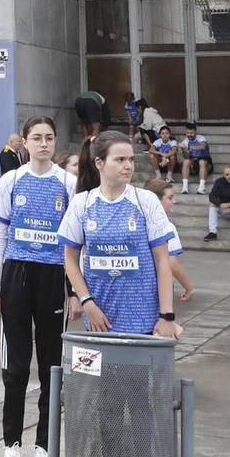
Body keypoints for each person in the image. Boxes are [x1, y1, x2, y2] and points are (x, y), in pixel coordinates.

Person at [0, 115, 74, 457]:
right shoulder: (11, 180)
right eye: (36, 137)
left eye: (49, 138)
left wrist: (75, 291)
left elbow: (75, 244)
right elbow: (0, 237)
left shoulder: (68, 183)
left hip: (53, 277)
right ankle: (11, 446)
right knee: (16, 369)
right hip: (17, 275)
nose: (43, 144)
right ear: (24, 141)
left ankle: (45, 449)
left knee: (51, 368)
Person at [59, 133, 181, 339]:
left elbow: (163, 261)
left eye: (131, 159)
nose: (128, 166)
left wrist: (167, 315)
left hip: (144, 321)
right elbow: (70, 260)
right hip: (99, 322)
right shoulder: (82, 203)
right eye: (120, 159)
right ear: (99, 163)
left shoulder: (146, 201)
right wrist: (87, 303)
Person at [148, 178, 199, 303]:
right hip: (156, 289)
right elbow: (171, 262)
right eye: (170, 198)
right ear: (156, 201)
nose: (174, 201)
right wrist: (189, 288)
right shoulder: (166, 227)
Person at [183, 122, 212, 195]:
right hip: (195, 165)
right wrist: (184, 150)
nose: (189, 134)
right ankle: (185, 187)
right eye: (188, 133)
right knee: (186, 161)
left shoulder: (201, 138)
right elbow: (187, 157)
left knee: (201, 161)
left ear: (195, 132)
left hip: (206, 164)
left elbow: (203, 146)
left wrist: (190, 147)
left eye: (191, 133)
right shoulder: (185, 141)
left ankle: (202, 187)